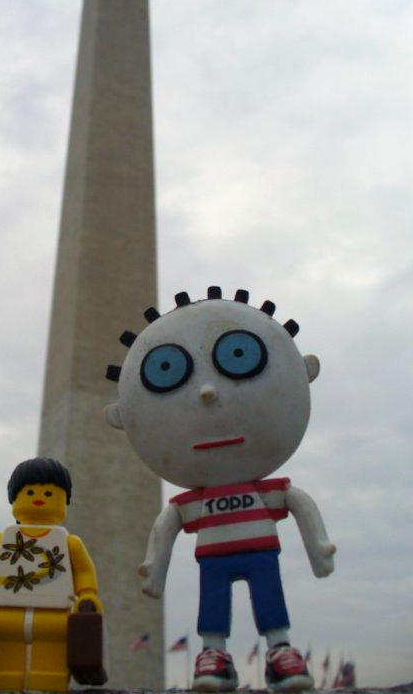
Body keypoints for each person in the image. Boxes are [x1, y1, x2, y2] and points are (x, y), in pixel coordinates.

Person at [105, 287, 335, 692]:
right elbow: (168, 524)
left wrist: (319, 547)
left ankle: (278, 647)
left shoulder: (263, 494)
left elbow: (298, 503)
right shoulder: (195, 504)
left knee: (268, 596)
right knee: (212, 602)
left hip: (260, 554)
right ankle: (215, 651)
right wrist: (154, 567)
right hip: (216, 558)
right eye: (166, 369)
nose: (208, 393)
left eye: (239, 356)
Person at [0, 457, 102, 691]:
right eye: (30, 492)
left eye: (48, 494)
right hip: (5, 611)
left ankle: (49, 680)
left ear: (64, 501)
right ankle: (0, 678)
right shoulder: (2, 540)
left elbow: (84, 570)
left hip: (54, 614)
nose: (39, 498)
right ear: (14, 500)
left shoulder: (70, 544)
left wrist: (87, 594)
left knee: (52, 647)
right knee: (3, 647)